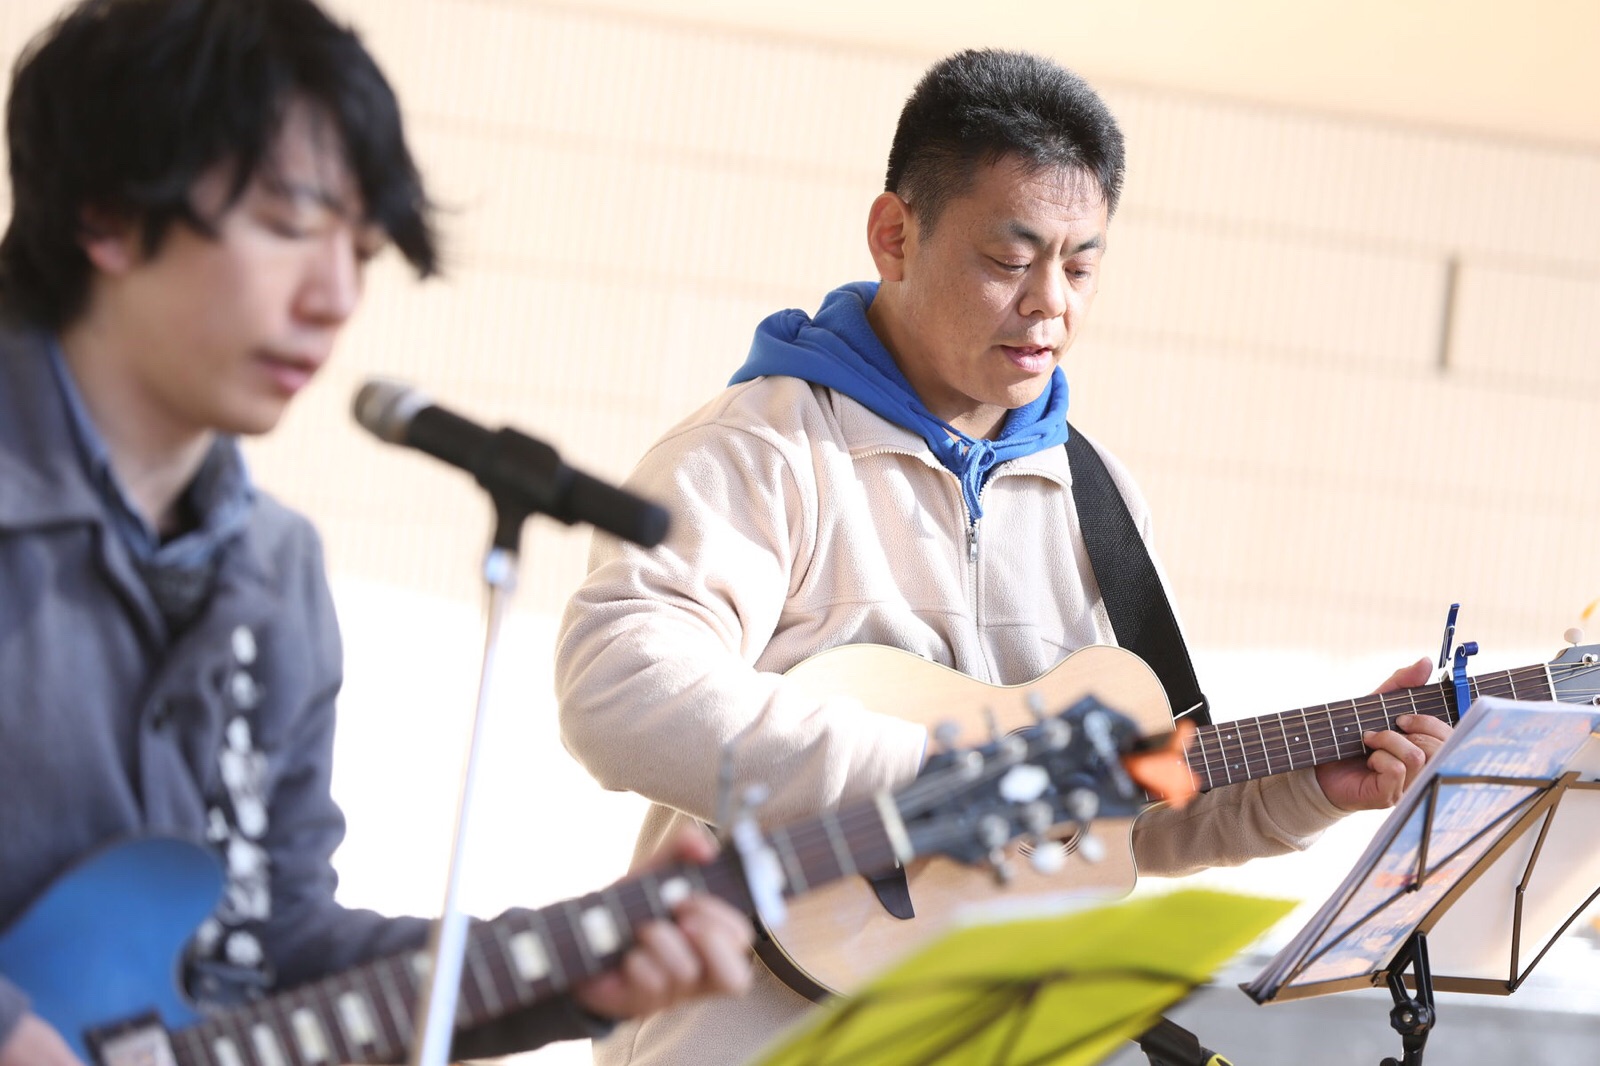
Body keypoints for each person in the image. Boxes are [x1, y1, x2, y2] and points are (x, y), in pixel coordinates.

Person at [555, 48, 1452, 1065]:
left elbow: (1128, 810)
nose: (1048, 304)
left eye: (1080, 266)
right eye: (1008, 259)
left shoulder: (1097, 497)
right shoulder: (760, 451)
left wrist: (1306, 789)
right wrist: (940, 779)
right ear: (895, 236)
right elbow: (620, 690)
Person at [0, 2, 752, 1064]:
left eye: (361, 249)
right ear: (107, 213)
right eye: (288, 225)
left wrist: (568, 969)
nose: (337, 296)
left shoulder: (273, 572)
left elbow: (271, 950)